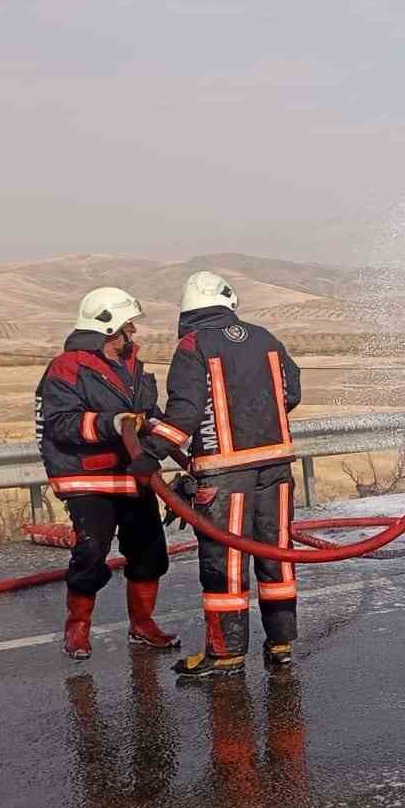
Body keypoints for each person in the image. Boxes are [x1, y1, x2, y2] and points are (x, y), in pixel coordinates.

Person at [137, 271, 302, 678]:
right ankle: (281, 644)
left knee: (225, 562)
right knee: (276, 555)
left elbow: (185, 416)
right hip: (276, 468)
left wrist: (148, 452)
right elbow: (291, 392)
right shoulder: (264, 337)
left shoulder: (194, 346)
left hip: (223, 476)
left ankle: (226, 653)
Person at [35, 286, 179, 659]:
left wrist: (179, 449)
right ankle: (78, 627)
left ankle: (143, 624)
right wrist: (111, 423)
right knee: (91, 552)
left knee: (149, 551)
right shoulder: (68, 368)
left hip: (134, 473)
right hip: (88, 479)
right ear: (107, 326)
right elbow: (61, 424)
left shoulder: (133, 368)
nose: (133, 332)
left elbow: (150, 418)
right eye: (127, 325)